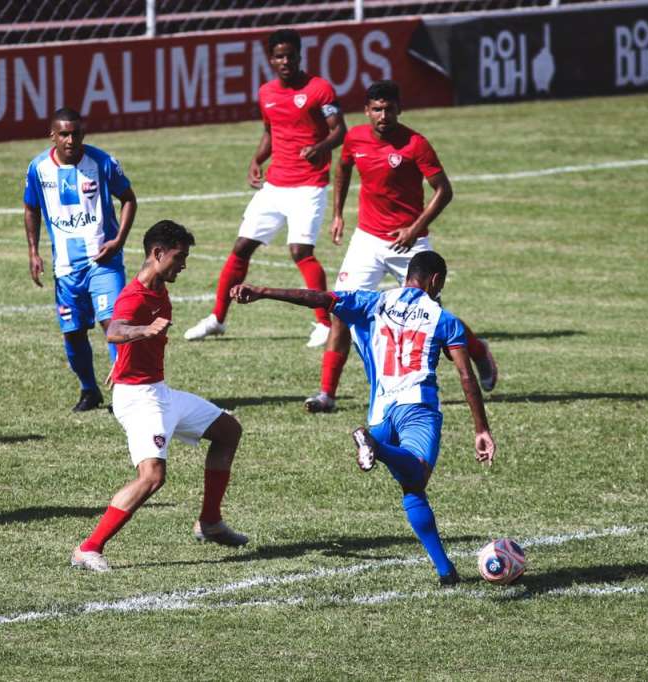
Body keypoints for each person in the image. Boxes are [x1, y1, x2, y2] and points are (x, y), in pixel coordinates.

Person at [231, 250, 495, 585]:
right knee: (417, 476)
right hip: (417, 409)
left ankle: (446, 572)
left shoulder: (374, 302)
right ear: (436, 281)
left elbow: (319, 298)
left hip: (381, 413)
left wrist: (263, 292)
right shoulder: (444, 319)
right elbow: (466, 377)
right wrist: (481, 429)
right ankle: (377, 447)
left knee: (412, 490)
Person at [305, 80, 497, 414]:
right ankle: (327, 395)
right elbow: (344, 169)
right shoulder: (354, 139)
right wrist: (337, 214)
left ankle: (478, 351)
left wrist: (415, 229)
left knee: (430, 318)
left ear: (399, 109)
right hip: (367, 239)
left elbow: (444, 190)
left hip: (410, 242)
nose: (383, 115)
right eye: (376, 109)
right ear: (366, 111)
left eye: (389, 109)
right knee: (340, 311)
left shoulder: (415, 144)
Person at [72, 220, 247, 572]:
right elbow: (115, 330)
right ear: (157, 253)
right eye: (179, 257)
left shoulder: (157, 287)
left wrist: (123, 360)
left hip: (158, 391)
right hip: (139, 400)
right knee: (152, 477)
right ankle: (88, 548)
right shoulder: (135, 295)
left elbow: (125, 341)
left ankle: (210, 521)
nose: (183, 264)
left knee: (228, 430)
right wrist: (141, 332)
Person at [184, 28, 346, 348]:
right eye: (279, 56)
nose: (285, 61)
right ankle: (217, 318)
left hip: (309, 185)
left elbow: (339, 130)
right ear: (271, 59)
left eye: (291, 55)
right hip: (275, 183)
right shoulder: (267, 93)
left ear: (300, 56)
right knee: (242, 246)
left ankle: (324, 324)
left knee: (300, 251)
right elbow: (270, 131)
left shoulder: (319, 89)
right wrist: (257, 159)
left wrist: (321, 146)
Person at [24, 107, 138, 412]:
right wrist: (33, 251)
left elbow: (129, 199)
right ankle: (89, 390)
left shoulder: (102, 163)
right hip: (65, 269)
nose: (70, 140)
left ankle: (123, 393)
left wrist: (119, 241)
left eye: (75, 133)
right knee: (72, 333)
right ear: (53, 136)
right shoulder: (37, 169)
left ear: (83, 134)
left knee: (113, 325)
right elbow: (31, 208)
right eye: (64, 134)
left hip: (103, 262)